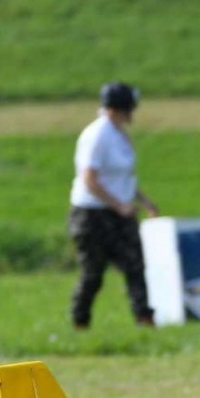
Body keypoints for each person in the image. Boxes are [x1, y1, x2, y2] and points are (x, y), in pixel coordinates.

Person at [68, 82, 159, 330]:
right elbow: (89, 179)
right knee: (93, 274)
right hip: (92, 215)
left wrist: (144, 201)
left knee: (135, 265)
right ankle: (80, 321)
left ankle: (144, 319)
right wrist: (119, 206)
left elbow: (123, 177)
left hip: (121, 212)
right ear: (122, 108)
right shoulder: (97, 135)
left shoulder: (119, 134)